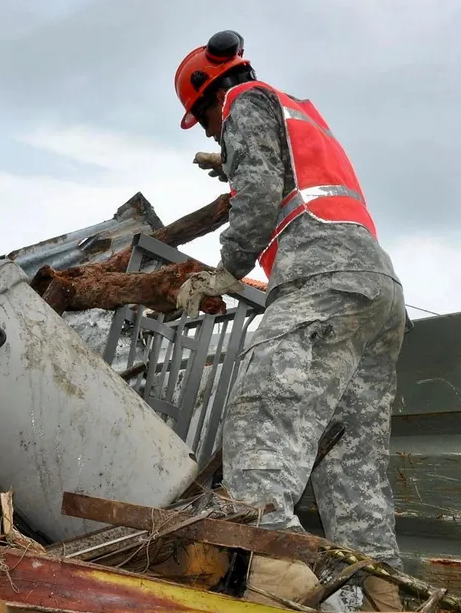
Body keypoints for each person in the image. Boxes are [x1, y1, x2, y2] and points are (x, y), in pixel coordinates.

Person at [173, 31, 407, 611]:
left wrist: (223, 272)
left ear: (209, 93)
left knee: (260, 421)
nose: (206, 128)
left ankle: (276, 577)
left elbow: (257, 195)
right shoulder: (295, 109)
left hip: (321, 277)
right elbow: (286, 170)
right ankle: (385, 595)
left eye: (201, 119)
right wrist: (228, 157)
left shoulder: (242, 101)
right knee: (354, 466)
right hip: (378, 288)